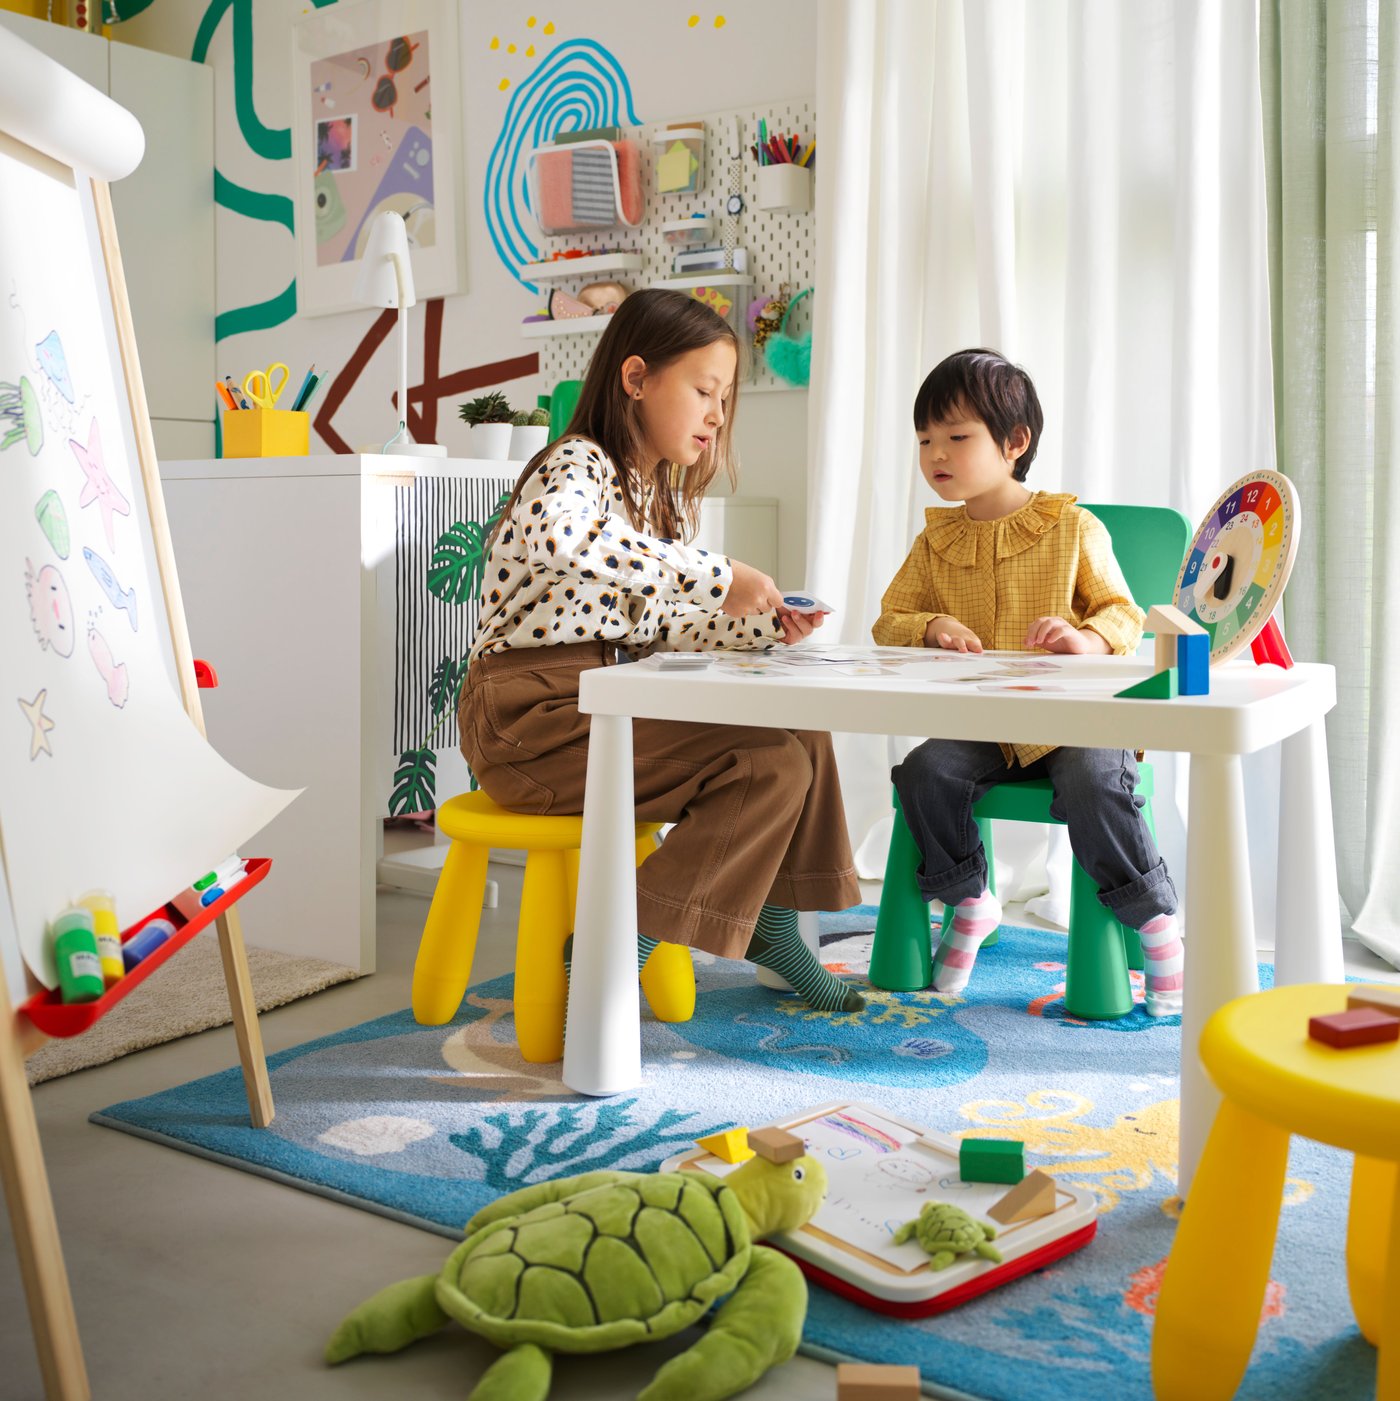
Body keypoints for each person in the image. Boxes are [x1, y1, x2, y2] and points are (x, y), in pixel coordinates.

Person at [460, 288, 864, 1013]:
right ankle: (619, 947)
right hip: (528, 723)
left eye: (725, 398)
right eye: (705, 391)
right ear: (636, 378)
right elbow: (562, 536)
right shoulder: (575, 464)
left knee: (801, 723)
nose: (717, 413)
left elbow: (667, 624)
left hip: (607, 700)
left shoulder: (654, 498)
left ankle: (774, 926)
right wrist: (718, 575)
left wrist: (764, 625)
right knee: (767, 765)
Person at [872, 348, 1182, 1015]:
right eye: (925, 439)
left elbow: (1123, 613)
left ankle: (1155, 922)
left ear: (1014, 442)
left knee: (1095, 780)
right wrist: (933, 626)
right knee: (925, 772)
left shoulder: (1070, 526)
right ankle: (970, 899)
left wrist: (1086, 640)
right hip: (987, 726)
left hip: (1079, 722)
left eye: (956, 436)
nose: (936, 454)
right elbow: (888, 620)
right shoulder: (935, 542)